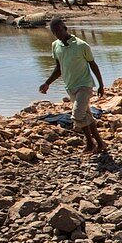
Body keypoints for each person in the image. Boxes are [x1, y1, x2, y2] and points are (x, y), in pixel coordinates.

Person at [40, 18, 107, 155]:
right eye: (54, 32)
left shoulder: (81, 45)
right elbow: (59, 68)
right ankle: (100, 143)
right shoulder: (55, 46)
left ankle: (89, 143)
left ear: (65, 28)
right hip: (70, 86)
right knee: (86, 115)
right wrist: (47, 83)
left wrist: (101, 85)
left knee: (77, 115)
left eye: (59, 30)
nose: (57, 34)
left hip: (85, 85)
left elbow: (93, 65)